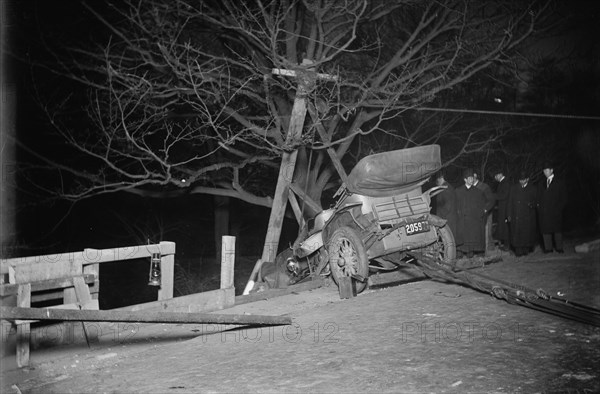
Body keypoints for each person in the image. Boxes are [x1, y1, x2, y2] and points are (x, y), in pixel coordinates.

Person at [455, 168, 487, 257]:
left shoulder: (478, 192)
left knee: (471, 240)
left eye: (472, 178)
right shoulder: (458, 191)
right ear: (465, 179)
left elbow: (481, 207)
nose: (472, 180)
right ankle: (460, 253)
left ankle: (470, 253)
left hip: (473, 221)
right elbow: (456, 206)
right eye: (469, 178)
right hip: (463, 221)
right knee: (462, 241)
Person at [537, 161, 567, 253]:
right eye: (544, 171)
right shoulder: (541, 183)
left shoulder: (559, 182)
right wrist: (540, 209)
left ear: (551, 170)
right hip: (544, 212)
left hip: (555, 211)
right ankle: (548, 248)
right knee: (546, 230)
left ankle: (559, 248)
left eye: (547, 170)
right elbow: (538, 197)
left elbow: (564, 198)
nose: (545, 172)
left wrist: (559, 209)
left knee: (557, 230)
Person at [507, 171, 537, 256]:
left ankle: (526, 250)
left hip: (528, 216)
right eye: (520, 180)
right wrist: (509, 214)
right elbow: (509, 202)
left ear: (527, 179)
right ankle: (518, 251)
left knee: (526, 234)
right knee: (517, 233)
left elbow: (537, 202)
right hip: (516, 215)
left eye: (523, 180)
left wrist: (531, 205)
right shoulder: (514, 188)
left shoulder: (532, 188)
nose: (522, 182)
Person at [473, 170, 496, 251]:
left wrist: (485, 209)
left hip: (486, 213)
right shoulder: (471, 188)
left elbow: (491, 200)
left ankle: (489, 249)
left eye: (472, 177)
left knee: (487, 232)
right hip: (476, 215)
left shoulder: (484, 187)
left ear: (475, 177)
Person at [433, 171, 457, 238]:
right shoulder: (445, 187)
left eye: (437, 180)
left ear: (441, 178)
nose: (436, 182)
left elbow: (447, 206)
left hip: (447, 220)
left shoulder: (446, 188)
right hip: (447, 219)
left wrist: (440, 219)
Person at [492, 168, 511, 251]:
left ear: (500, 174)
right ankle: (504, 243)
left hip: (506, 208)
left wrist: (494, 196)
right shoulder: (502, 183)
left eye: (496, 176)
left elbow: (504, 195)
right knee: (503, 227)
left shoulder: (505, 183)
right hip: (502, 208)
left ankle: (507, 245)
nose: (495, 178)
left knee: (506, 227)